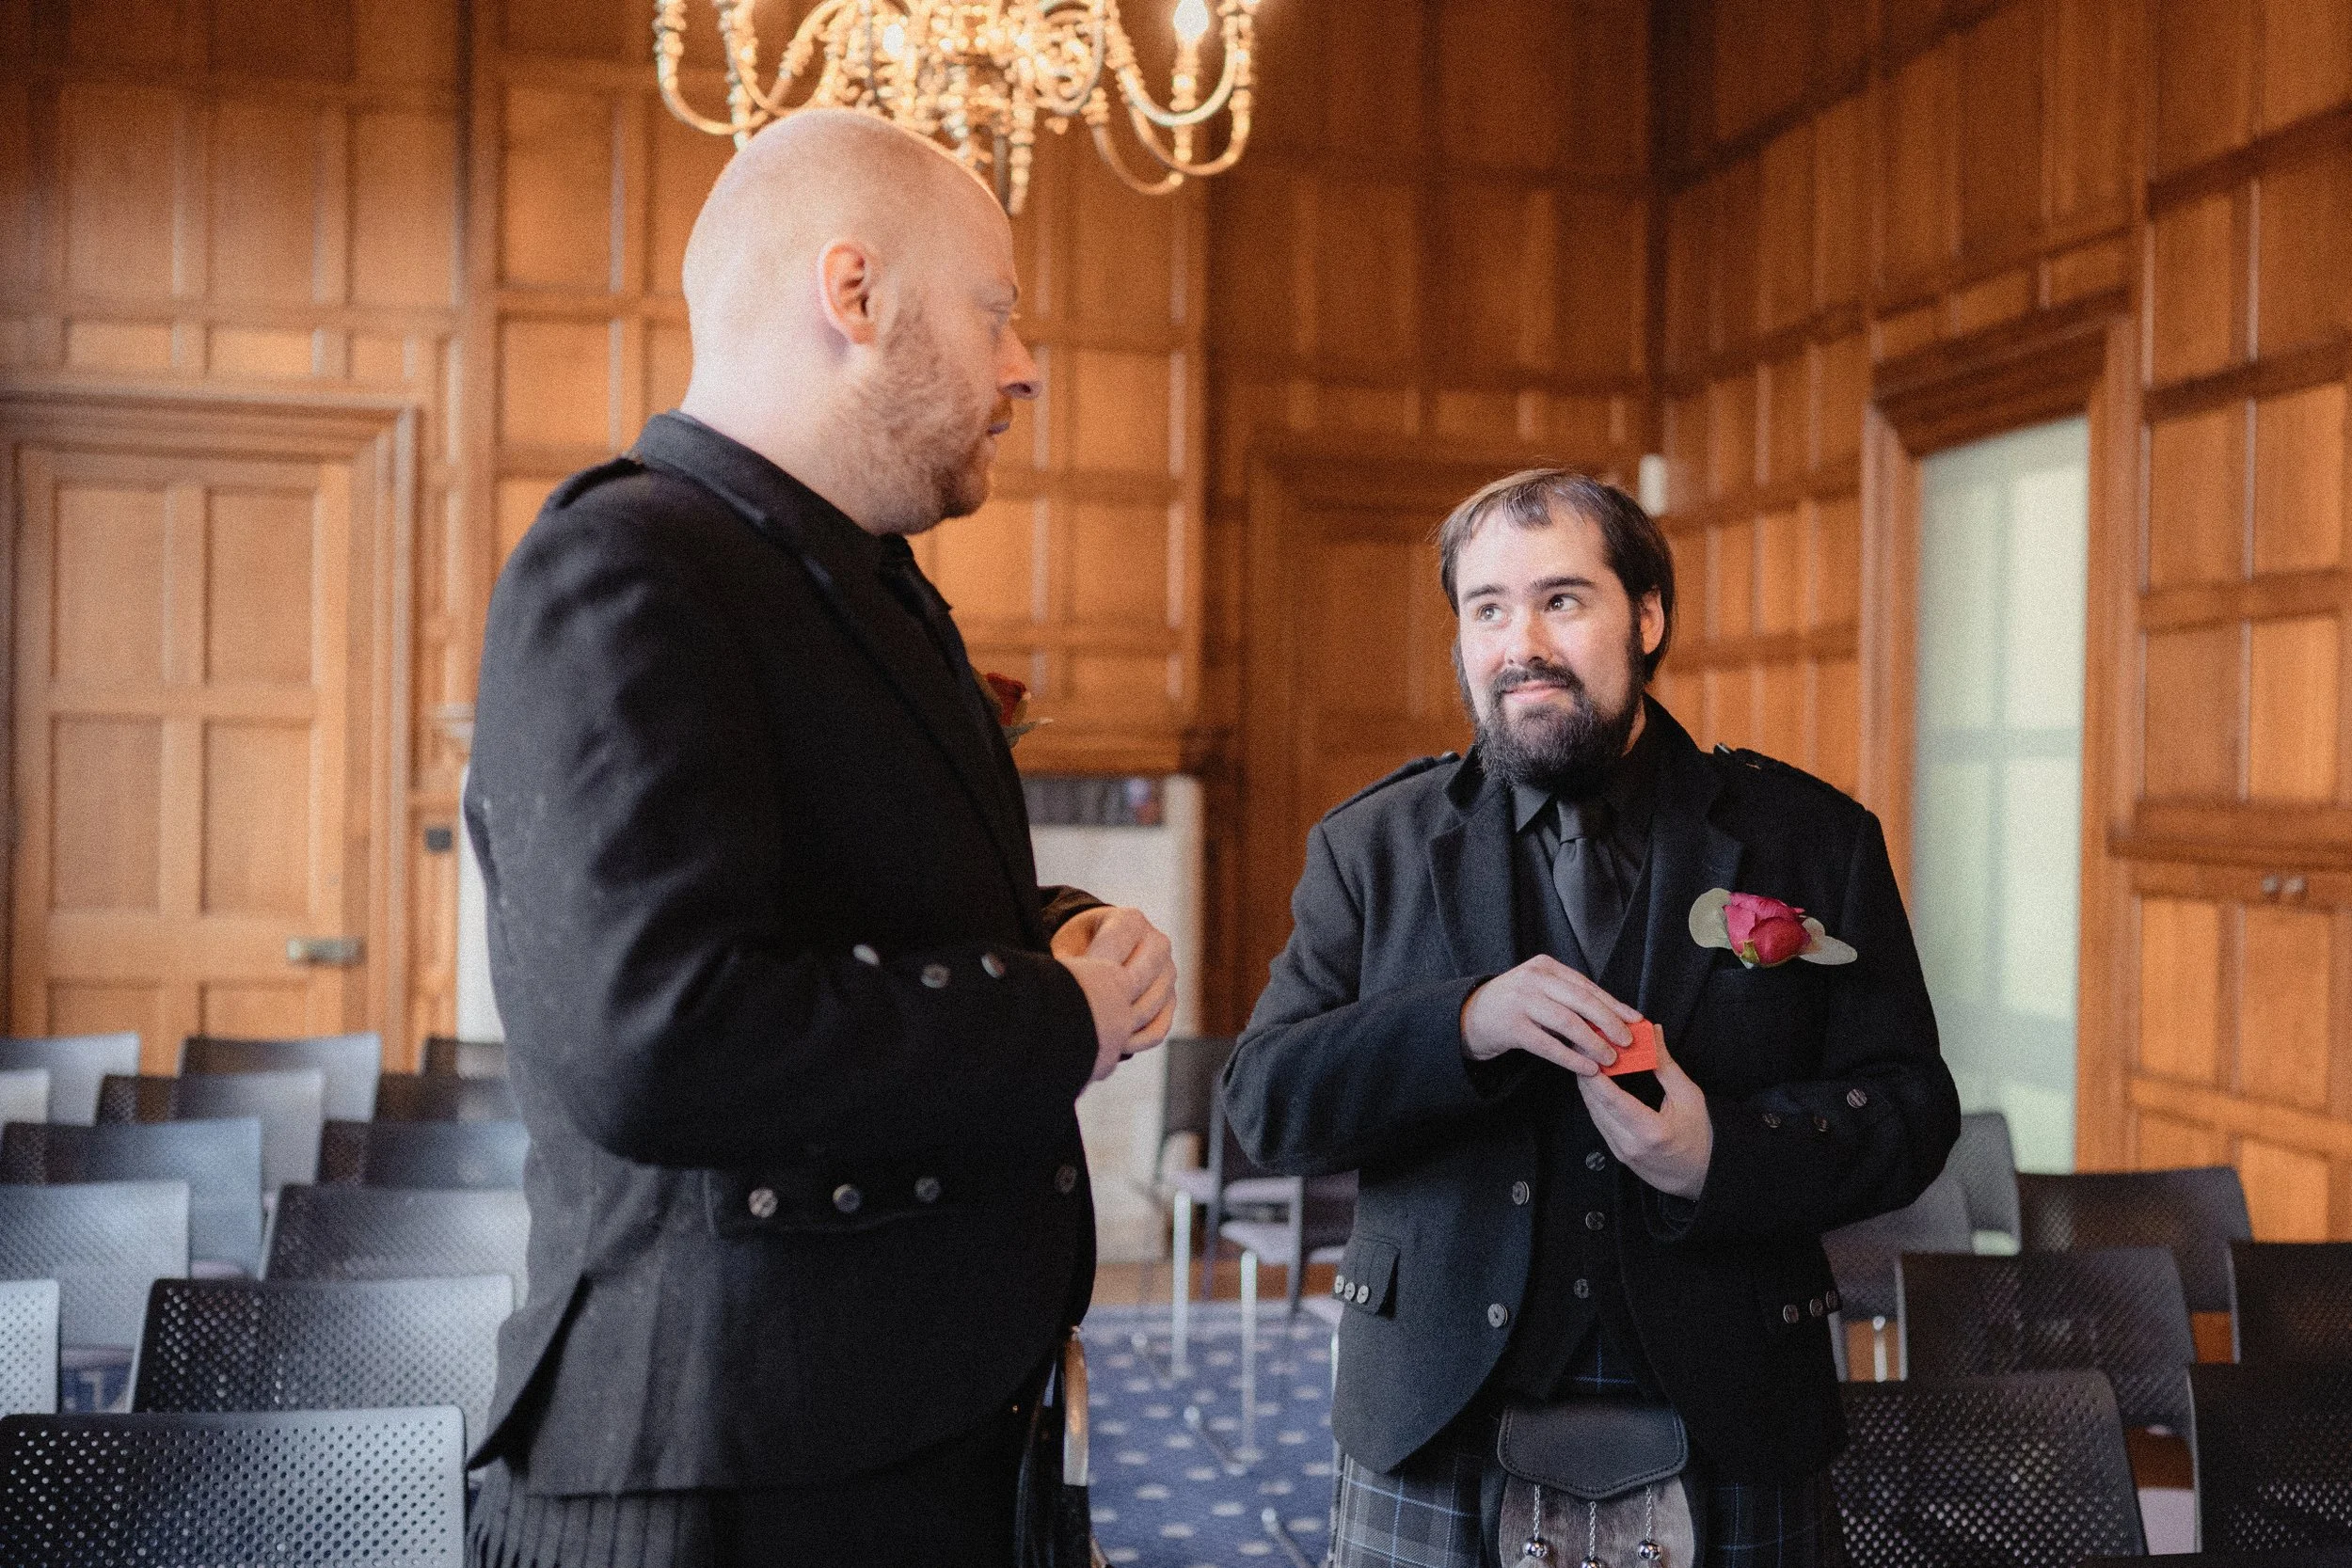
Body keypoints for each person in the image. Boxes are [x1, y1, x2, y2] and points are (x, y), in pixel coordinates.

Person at [462, 109, 1177, 1567]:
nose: (1025, 364)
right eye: (994, 310)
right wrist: (1053, 1014)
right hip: (724, 1475)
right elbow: (656, 1032)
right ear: (855, 293)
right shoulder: (626, 562)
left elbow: (841, 896)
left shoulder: (852, 577)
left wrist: (1055, 930)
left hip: (895, 1440)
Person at [1222, 470, 1958, 1568]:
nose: (1520, 644)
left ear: (1647, 615)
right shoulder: (1370, 845)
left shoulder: (1809, 838)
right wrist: (1462, 1024)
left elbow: (1910, 1107)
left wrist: (1719, 1153)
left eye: (1561, 600)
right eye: (1487, 608)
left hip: (1735, 1405)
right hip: (1431, 1418)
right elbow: (1265, 1102)